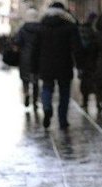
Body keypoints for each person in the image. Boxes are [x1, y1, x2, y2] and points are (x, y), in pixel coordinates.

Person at [31, 2, 82, 130]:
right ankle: (62, 119)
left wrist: (33, 67)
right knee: (64, 92)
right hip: (64, 64)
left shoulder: (41, 27)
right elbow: (77, 48)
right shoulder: (70, 27)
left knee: (47, 88)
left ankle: (47, 107)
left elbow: (34, 49)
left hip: (45, 64)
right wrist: (80, 64)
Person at [13, 8, 41, 113]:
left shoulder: (23, 29)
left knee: (25, 79)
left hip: (24, 57)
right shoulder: (40, 28)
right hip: (37, 57)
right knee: (35, 80)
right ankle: (35, 101)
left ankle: (26, 94)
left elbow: (17, 42)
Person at [78, 12, 100, 111]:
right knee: (96, 82)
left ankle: (85, 101)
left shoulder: (83, 30)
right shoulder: (95, 31)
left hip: (85, 60)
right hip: (94, 60)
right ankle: (98, 102)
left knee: (85, 82)